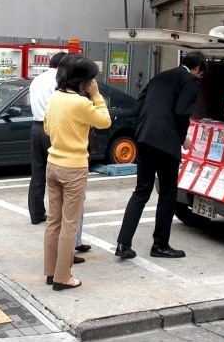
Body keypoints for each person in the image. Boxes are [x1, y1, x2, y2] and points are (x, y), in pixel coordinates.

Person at [115, 51, 207, 260]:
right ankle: (160, 245)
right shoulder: (190, 80)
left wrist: (141, 130)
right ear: (198, 69)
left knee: (141, 191)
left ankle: (123, 243)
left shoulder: (159, 77)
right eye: (201, 76)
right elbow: (182, 112)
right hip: (166, 142)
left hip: (145, 137)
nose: (199, 79)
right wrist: (182, 138)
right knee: (167, 193)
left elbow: (139, 105)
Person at [43, 54, 111, 291]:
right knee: (70, 224)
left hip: (53, 163)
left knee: (54, 221)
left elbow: (47, 126)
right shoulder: (81, 103)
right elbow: (104, 121)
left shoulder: (55, 97)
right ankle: (63, 277)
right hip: (74, 167)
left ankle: (51, 272)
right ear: (83, 80)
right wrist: (97, 95)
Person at [27, 51, 66, 225]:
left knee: (38, 172)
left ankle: (36, 213)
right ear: (62, 66)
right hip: (53, 128)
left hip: (36, 127)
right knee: (59, 172)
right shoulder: (58, 81)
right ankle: (58, 212)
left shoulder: (37, 79)